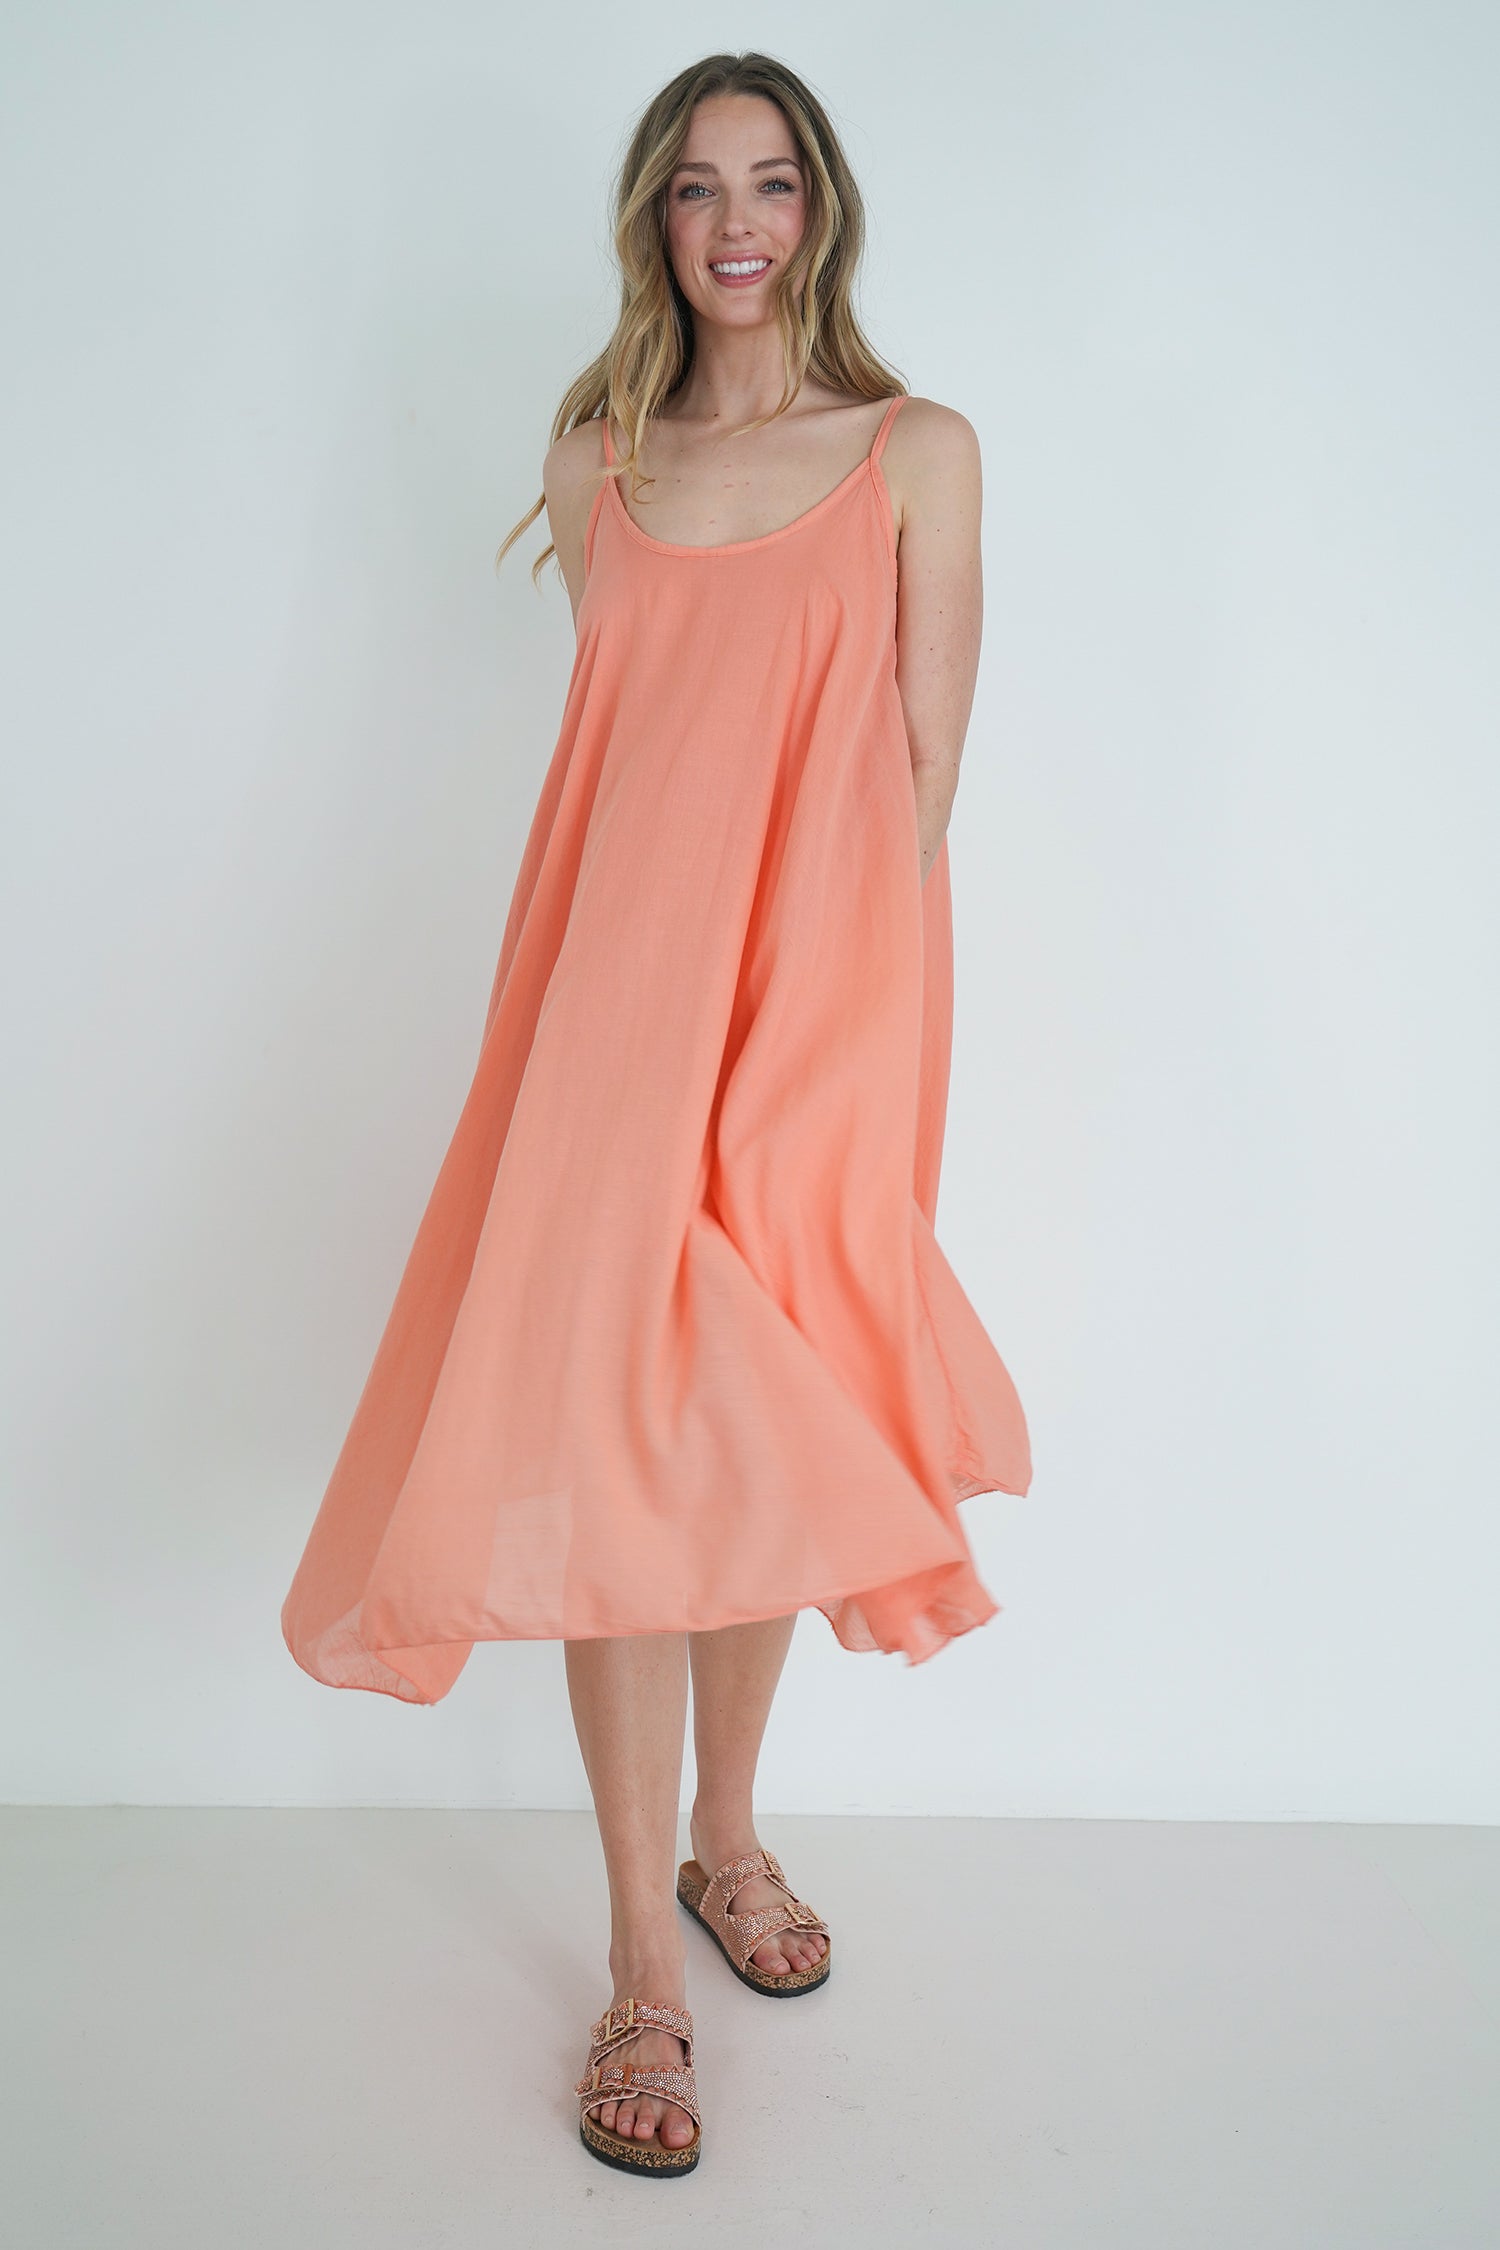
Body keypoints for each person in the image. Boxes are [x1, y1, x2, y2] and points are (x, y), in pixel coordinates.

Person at [280, 51, 1032, 2179]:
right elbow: (630, 787)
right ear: (653, 216)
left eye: (775, 184)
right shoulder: (592, 457)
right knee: (614, 1430)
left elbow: (918, 785)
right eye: (698, 186)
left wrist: (836, 1072)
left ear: (823, 214)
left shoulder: (917, 451)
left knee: (762, 1421)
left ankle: (728, 1839)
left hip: (821, 1019)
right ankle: (636, 1955)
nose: (737, 222)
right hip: (607, 1020)